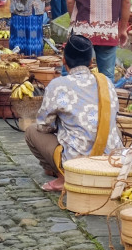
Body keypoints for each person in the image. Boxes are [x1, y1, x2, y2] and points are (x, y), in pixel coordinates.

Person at [27, 35, 122, 190]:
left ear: (64, 60)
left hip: (77, 161)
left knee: (32, 131)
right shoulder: (106, 81)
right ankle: (60, 169)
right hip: (110, 159)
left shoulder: (57, 85)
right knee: (112, 127)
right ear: (91, 62)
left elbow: (44, 126)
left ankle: (63, 176)